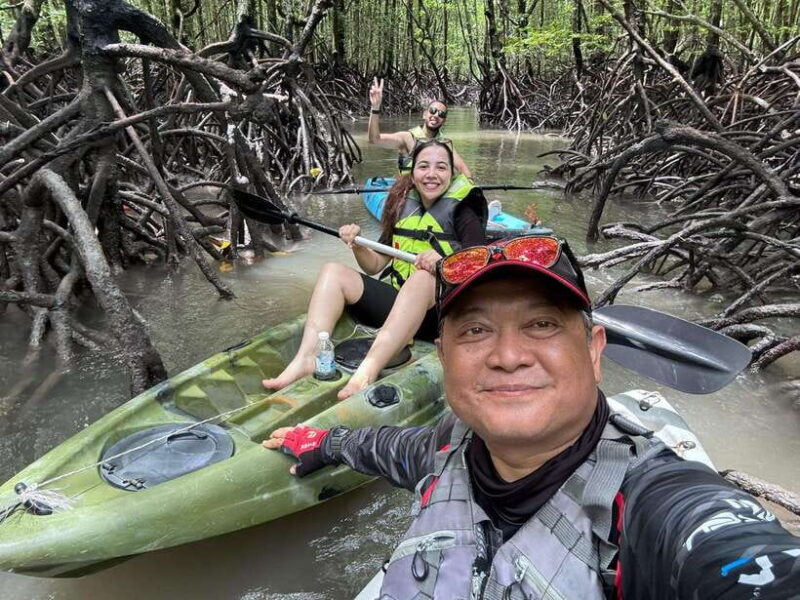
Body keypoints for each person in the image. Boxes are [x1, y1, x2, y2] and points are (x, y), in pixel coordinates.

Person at [264, 234, 800, 598]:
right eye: (474, 330)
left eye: (541, 325)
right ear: (444, 357)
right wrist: (323, 442)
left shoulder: (655, 501)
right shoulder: (446, 449)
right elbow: (388, 448)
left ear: (593, 351)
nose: (508, 355)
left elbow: (734, 553)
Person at [262, 139, 486, 400]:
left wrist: (444, 263)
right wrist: (356, 245)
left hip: (441, 316)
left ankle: (367, 371)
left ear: (452, 173)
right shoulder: (403, 207)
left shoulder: (464, 212)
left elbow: (481, 267)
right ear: (413, 174)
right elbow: (375, 265)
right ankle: (307, 358)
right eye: (424, 166)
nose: (432, 174)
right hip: (399, 309)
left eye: (441, 168)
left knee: (423, 278)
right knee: (333, 271)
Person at [368, 77, 472, 178]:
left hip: (432, 188)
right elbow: (375, 139)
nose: (436, 115)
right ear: (424, 114)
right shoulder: (407, 138)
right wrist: (375, 108)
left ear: (444, 120)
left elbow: (464, 170)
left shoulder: (445, 144)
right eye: (432, 111)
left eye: (441, 114)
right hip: (408, 189)